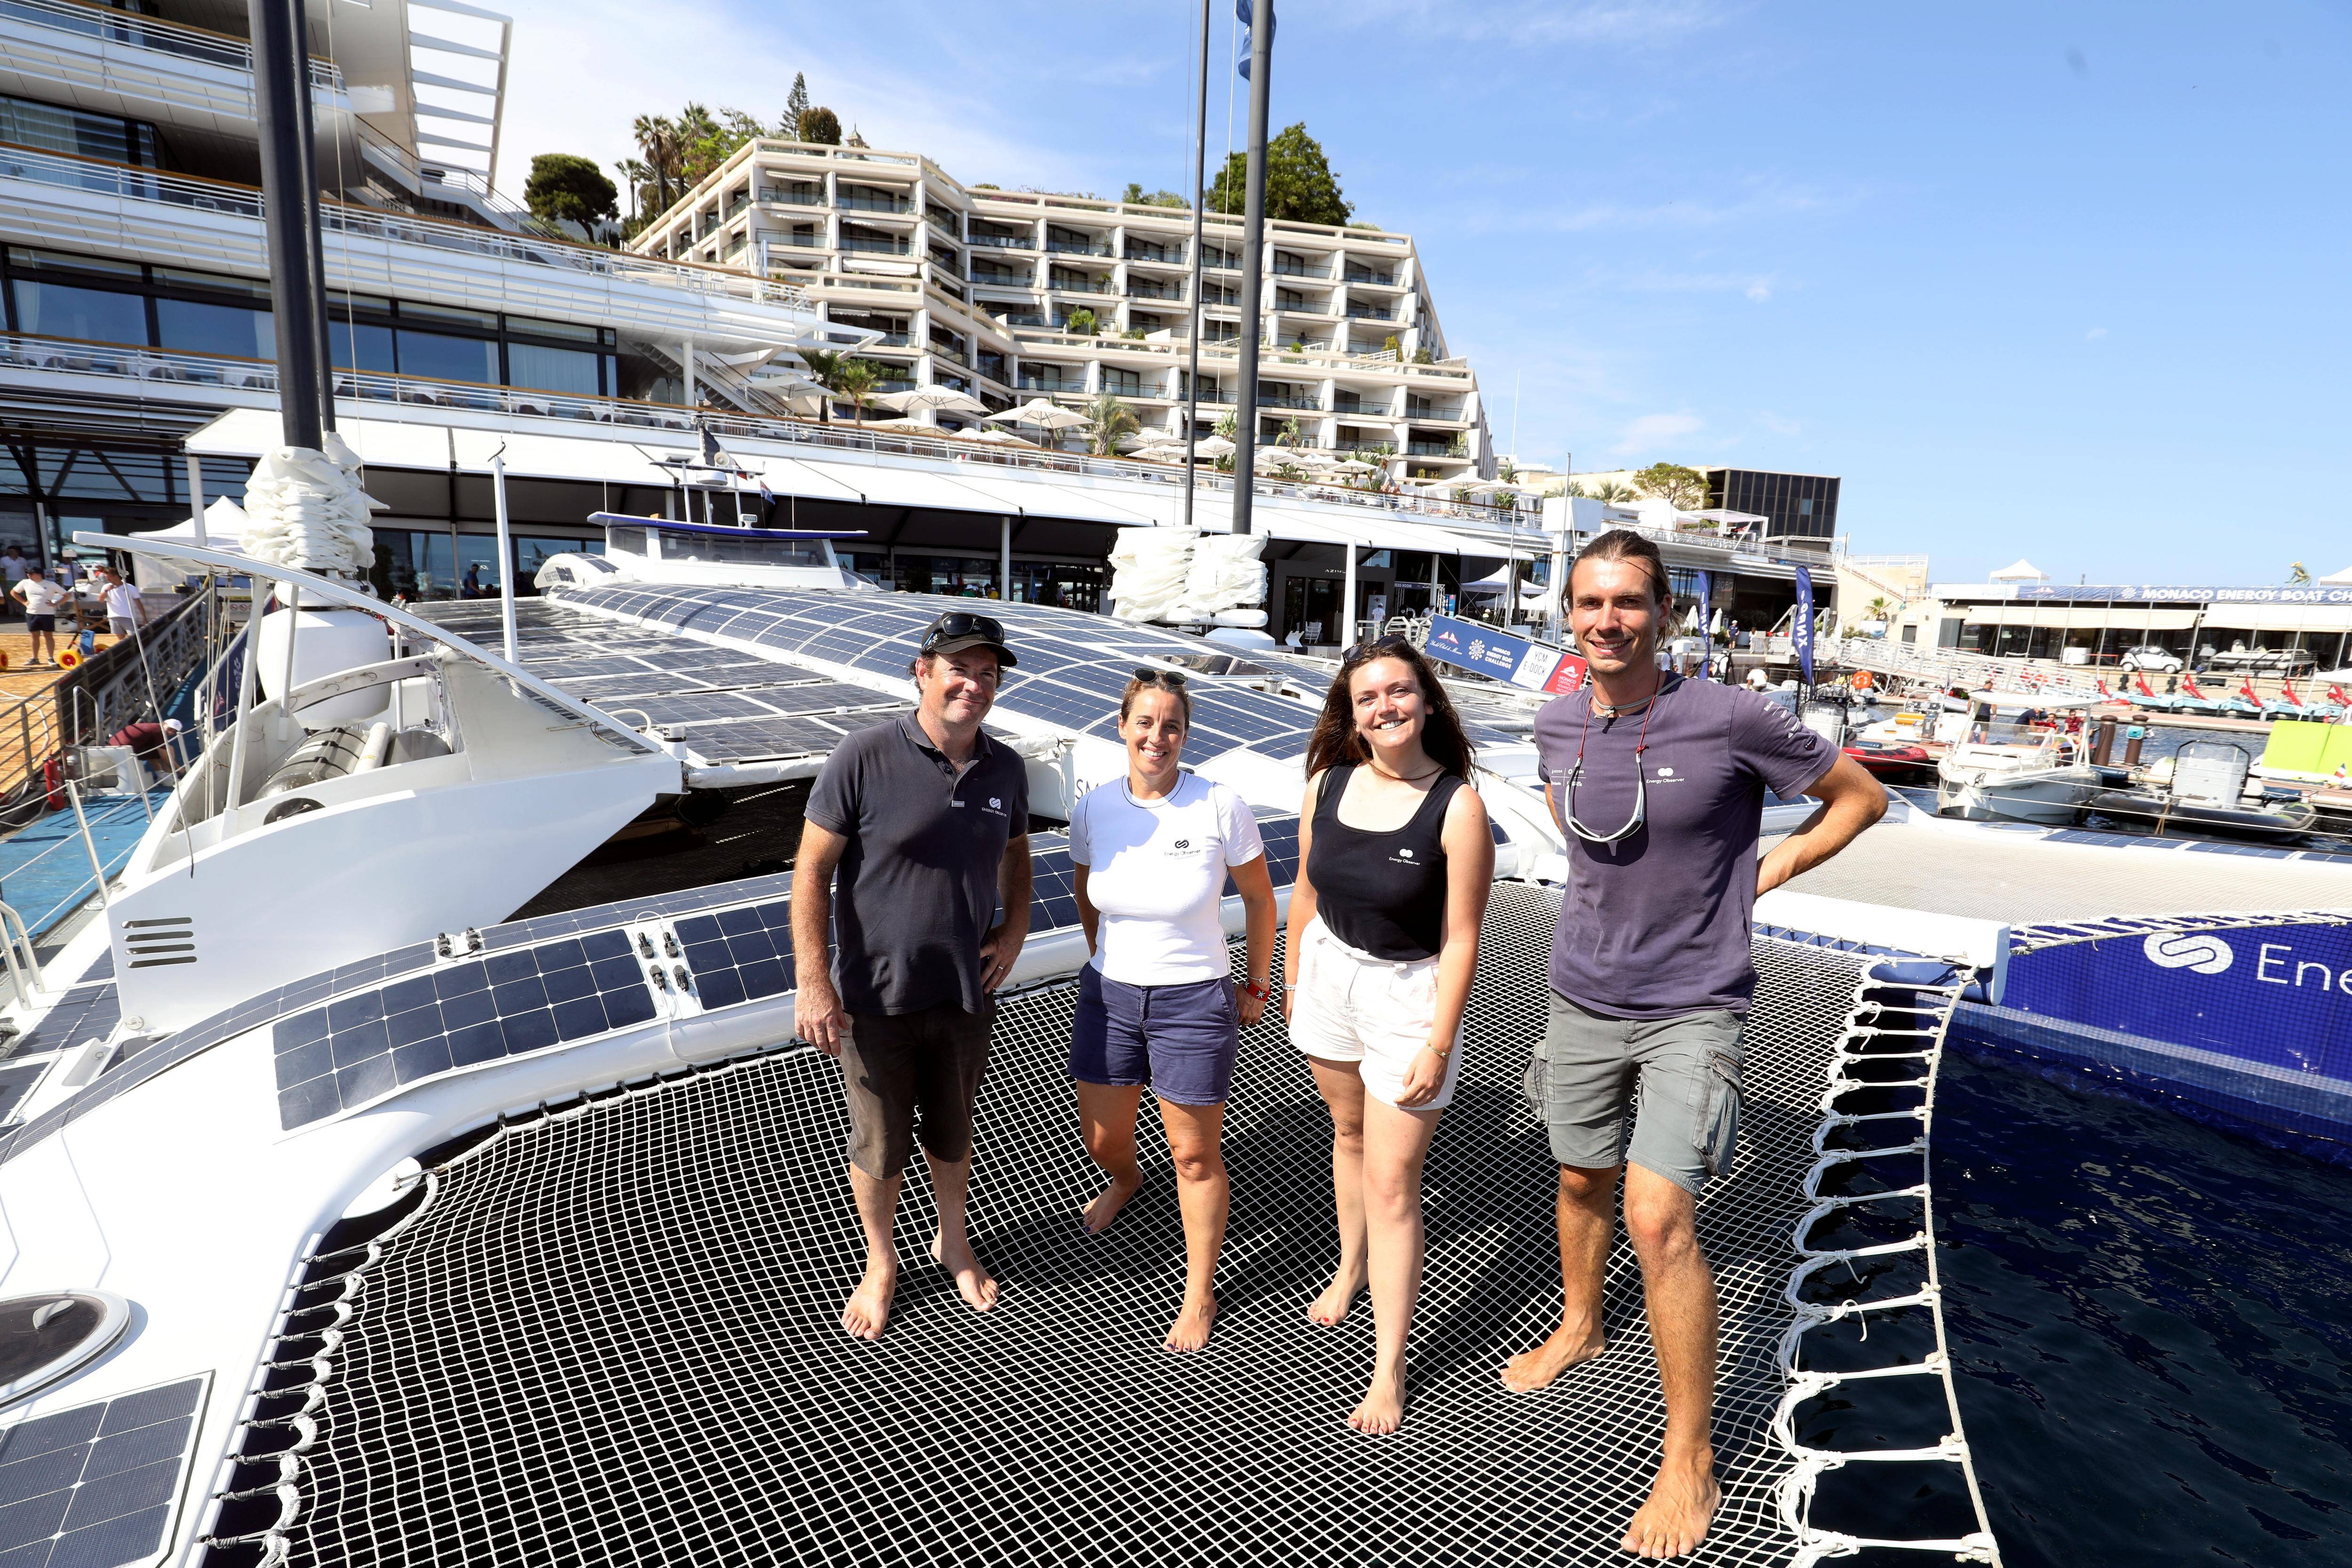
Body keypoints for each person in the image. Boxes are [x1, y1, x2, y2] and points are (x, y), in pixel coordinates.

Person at [1501, 529, 1885, 1560]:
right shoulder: (1553, 723)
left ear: (1664, 613)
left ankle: (1689, 1455)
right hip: (1581, 990)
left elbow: (1862, 796)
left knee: (1656, 1212)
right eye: (1590, 603)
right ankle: (1582, 1319)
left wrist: (1766, 872)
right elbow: (1573, 827)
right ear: (1568, 614)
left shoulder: (1728, 716)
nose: (1608, 621)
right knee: (1581, 1180)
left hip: (1692, 1001)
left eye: (1629, 602)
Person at [792, 610, 1033, 1342]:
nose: (975, 683)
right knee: (881, 1143)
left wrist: (1016, 928)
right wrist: (814, 980)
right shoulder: (862, 756)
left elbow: (1016, 854)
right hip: (876, 997)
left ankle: (952, 1239)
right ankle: (882, 1258)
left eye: (988, 673)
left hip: (965, 991)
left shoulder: (1006, 768)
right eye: (960, 667)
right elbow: (811, 871)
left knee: (954, 1130)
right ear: (922, 672)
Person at [1285, 636, 1493, 1435]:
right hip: (1329, 974)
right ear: (1353, 714)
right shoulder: (1327, 783)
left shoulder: (1457, 803)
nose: (1386, 706)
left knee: (1394, 1182)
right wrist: (1296, 978)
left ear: (1428, 700)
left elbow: (1465, 937)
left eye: (1400, 691)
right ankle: (1351, 1264)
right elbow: (1306, 887)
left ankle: (1390, 1365)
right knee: (1345, 1133)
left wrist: (1439, 1044)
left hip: (1410, 995)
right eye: (1369, 697)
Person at [1066, 668, 1278, 1352]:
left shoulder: (1219, 804)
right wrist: (1103, 954)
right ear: (1122, 726)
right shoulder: (1096, 806)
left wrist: (1256, 983)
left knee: (1193, 1153)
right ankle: (1127, 1180)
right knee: (1101, 1140)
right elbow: (1083, 882)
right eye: (1146, 722)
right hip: (1110, 993)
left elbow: (1260, 899)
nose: (1158, 736)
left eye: (1172, 725)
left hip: (1194, 996)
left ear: (1185, 735)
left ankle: (1200, 1291)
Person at [12, 566, 70, 668]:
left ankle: (50, 658)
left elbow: (66, 595)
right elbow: (14, 592)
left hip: (47, 614)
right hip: (32, 612)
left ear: (39, 575)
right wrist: (24, 602)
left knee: (48, 636)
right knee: (34, 636)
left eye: (32, 573)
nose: (29, 575)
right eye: (28, 573)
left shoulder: (50, 584)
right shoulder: (25, 583)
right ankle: (35, 658)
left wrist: (56, 604)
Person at [99, 568, 144, 640]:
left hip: (129, 617)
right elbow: (100, 600)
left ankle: (137, 650)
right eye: (106, 577)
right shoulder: (106, 587)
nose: (107, 579)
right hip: (113, 618)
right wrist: (106, 590)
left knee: (134, 638)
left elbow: (139, 603)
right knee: (121, 640)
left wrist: (144, 618)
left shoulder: (131, 588)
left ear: (116, 576)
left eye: (109, 577)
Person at [0, 547, 24, 621]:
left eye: (18, 551)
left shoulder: (23, 560)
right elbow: (3, 569)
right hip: (10, 580)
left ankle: (24, 612)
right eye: (15, 551)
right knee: (14, 596)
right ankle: (17, 612)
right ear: (10, 552)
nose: (17, 552)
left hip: (23, 580)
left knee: (24, 596)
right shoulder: (3, 560)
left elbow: (26, 569)